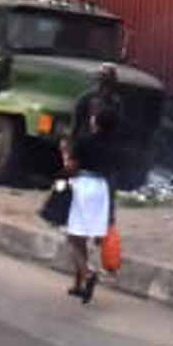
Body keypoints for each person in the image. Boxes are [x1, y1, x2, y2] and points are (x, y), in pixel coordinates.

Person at [62, 108, 119, 304]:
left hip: (84, 188)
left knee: (73, 238)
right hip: (102, 189)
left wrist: (65, 155)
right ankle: (78, 285)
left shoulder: (85, 141)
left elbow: (71, 167)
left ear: (96, 121)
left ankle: (87, 274)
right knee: (83, 238)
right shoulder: (114, 145)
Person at [73, 64, 122, 138]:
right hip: (87, 138)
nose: (103, 85)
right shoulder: (86, 98)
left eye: (107, 81)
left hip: (105, 139)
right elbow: (77, 121)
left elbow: (117, 124)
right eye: (102, 80)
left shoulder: (115, 101)